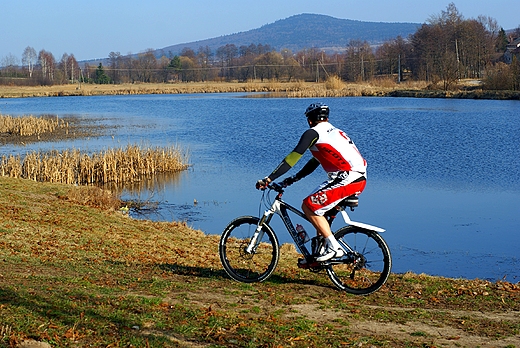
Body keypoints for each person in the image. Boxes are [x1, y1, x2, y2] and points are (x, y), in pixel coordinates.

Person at [256, 102, 367, 262]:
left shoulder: (312, 133)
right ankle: (319, 254)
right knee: (318, 208)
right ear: (326, 118)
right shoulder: (335, 132)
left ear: (309, 120)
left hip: (347, 179)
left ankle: (335, 248)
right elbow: (314, 162)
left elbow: (291, 158)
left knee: (309, 205)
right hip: (357, 178)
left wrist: (269, 178)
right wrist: (292, 179)